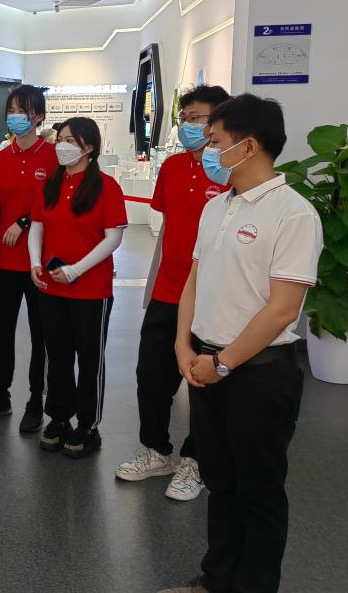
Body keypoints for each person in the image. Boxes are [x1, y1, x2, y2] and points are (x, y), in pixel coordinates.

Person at [160, 95, 320, 593]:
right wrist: (183, 345)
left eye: (215, 141)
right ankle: (215, 580)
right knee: (221, 484)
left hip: (259, 375)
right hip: (207, 365)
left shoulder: (293, 214)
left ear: (248, 146)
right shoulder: (217, 206)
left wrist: (224, 364)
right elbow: (194, 280)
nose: (207, 149)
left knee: (259, 493)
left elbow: (282, 309)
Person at [115, 85, 230, 500]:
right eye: (185, 118)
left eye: (198, 118)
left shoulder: (231, 171)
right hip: (169, 289)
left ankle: (196, 460)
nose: (189, 126)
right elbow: (166, 230)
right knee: (151, 374)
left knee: (204, 381)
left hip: (215, 296)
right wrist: (151, 285)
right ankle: (156, 450)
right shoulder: (173, 167)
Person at [30, 117, 127, 458]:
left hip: (90, 290)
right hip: (51, 287)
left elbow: (113, 237)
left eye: (70, 140)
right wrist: (34, 262)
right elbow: (37, 226)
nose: (61, 145)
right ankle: (58, 417)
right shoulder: (51, 184)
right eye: (60, 139)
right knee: (56, 356)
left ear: (88, 147)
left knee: (89, 358)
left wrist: (76, 270)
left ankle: (88, 424)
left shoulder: (106, 187)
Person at [0, 85, 59, 432]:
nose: (15, 117)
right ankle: (1, 394)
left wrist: (24, 221)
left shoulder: (54, 157)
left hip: (40, 264)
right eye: (11, 110)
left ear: (38, 116)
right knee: (0, 333)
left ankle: (36, 399)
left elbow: (57, 204)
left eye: (22, 111)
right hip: (5, 263)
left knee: (42, 335)